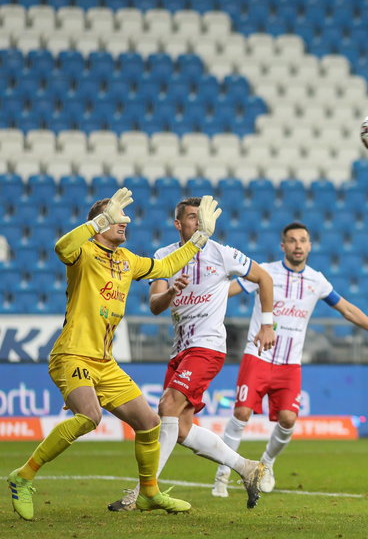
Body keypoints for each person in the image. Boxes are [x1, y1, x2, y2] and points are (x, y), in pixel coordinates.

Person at [6, 188, 220, 520]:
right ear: (100, 222)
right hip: (73, 354)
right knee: (90, 416)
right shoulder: (84, 253)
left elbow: (165, 266)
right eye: (117, 216)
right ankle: (23, 476)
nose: (125, 221)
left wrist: (201, 238)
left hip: (104, 361)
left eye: (123, 217)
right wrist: (97, 223)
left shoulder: (127, 260)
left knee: (149, 423)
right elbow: (61, 247)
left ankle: (148, 493)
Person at [108, 197, 277, 512]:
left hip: (207, 345)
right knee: (181, 428)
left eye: (201, 217)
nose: (198, 222)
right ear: (177, 224)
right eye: (190, 217)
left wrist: (267, 325)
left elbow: (264, 277)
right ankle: (247, 468)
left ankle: (142, 492)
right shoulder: (164, 256)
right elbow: (155, 306)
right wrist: (171, 291)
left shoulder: (223, 254)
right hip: (180, 349)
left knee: (167, 406)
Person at [211, 221, 368, 497]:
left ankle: (266, 463)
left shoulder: (317, 280)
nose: (298, 245)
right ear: (283, 245)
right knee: (241, 412)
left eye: (303, 240)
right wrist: (199, 296)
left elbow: (347, 309)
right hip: (259, 356)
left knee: (288, 419)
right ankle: (222, 474)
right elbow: (227, 291)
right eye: (292, 240)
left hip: (290, 363)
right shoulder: (265, 272)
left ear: (309, 246)